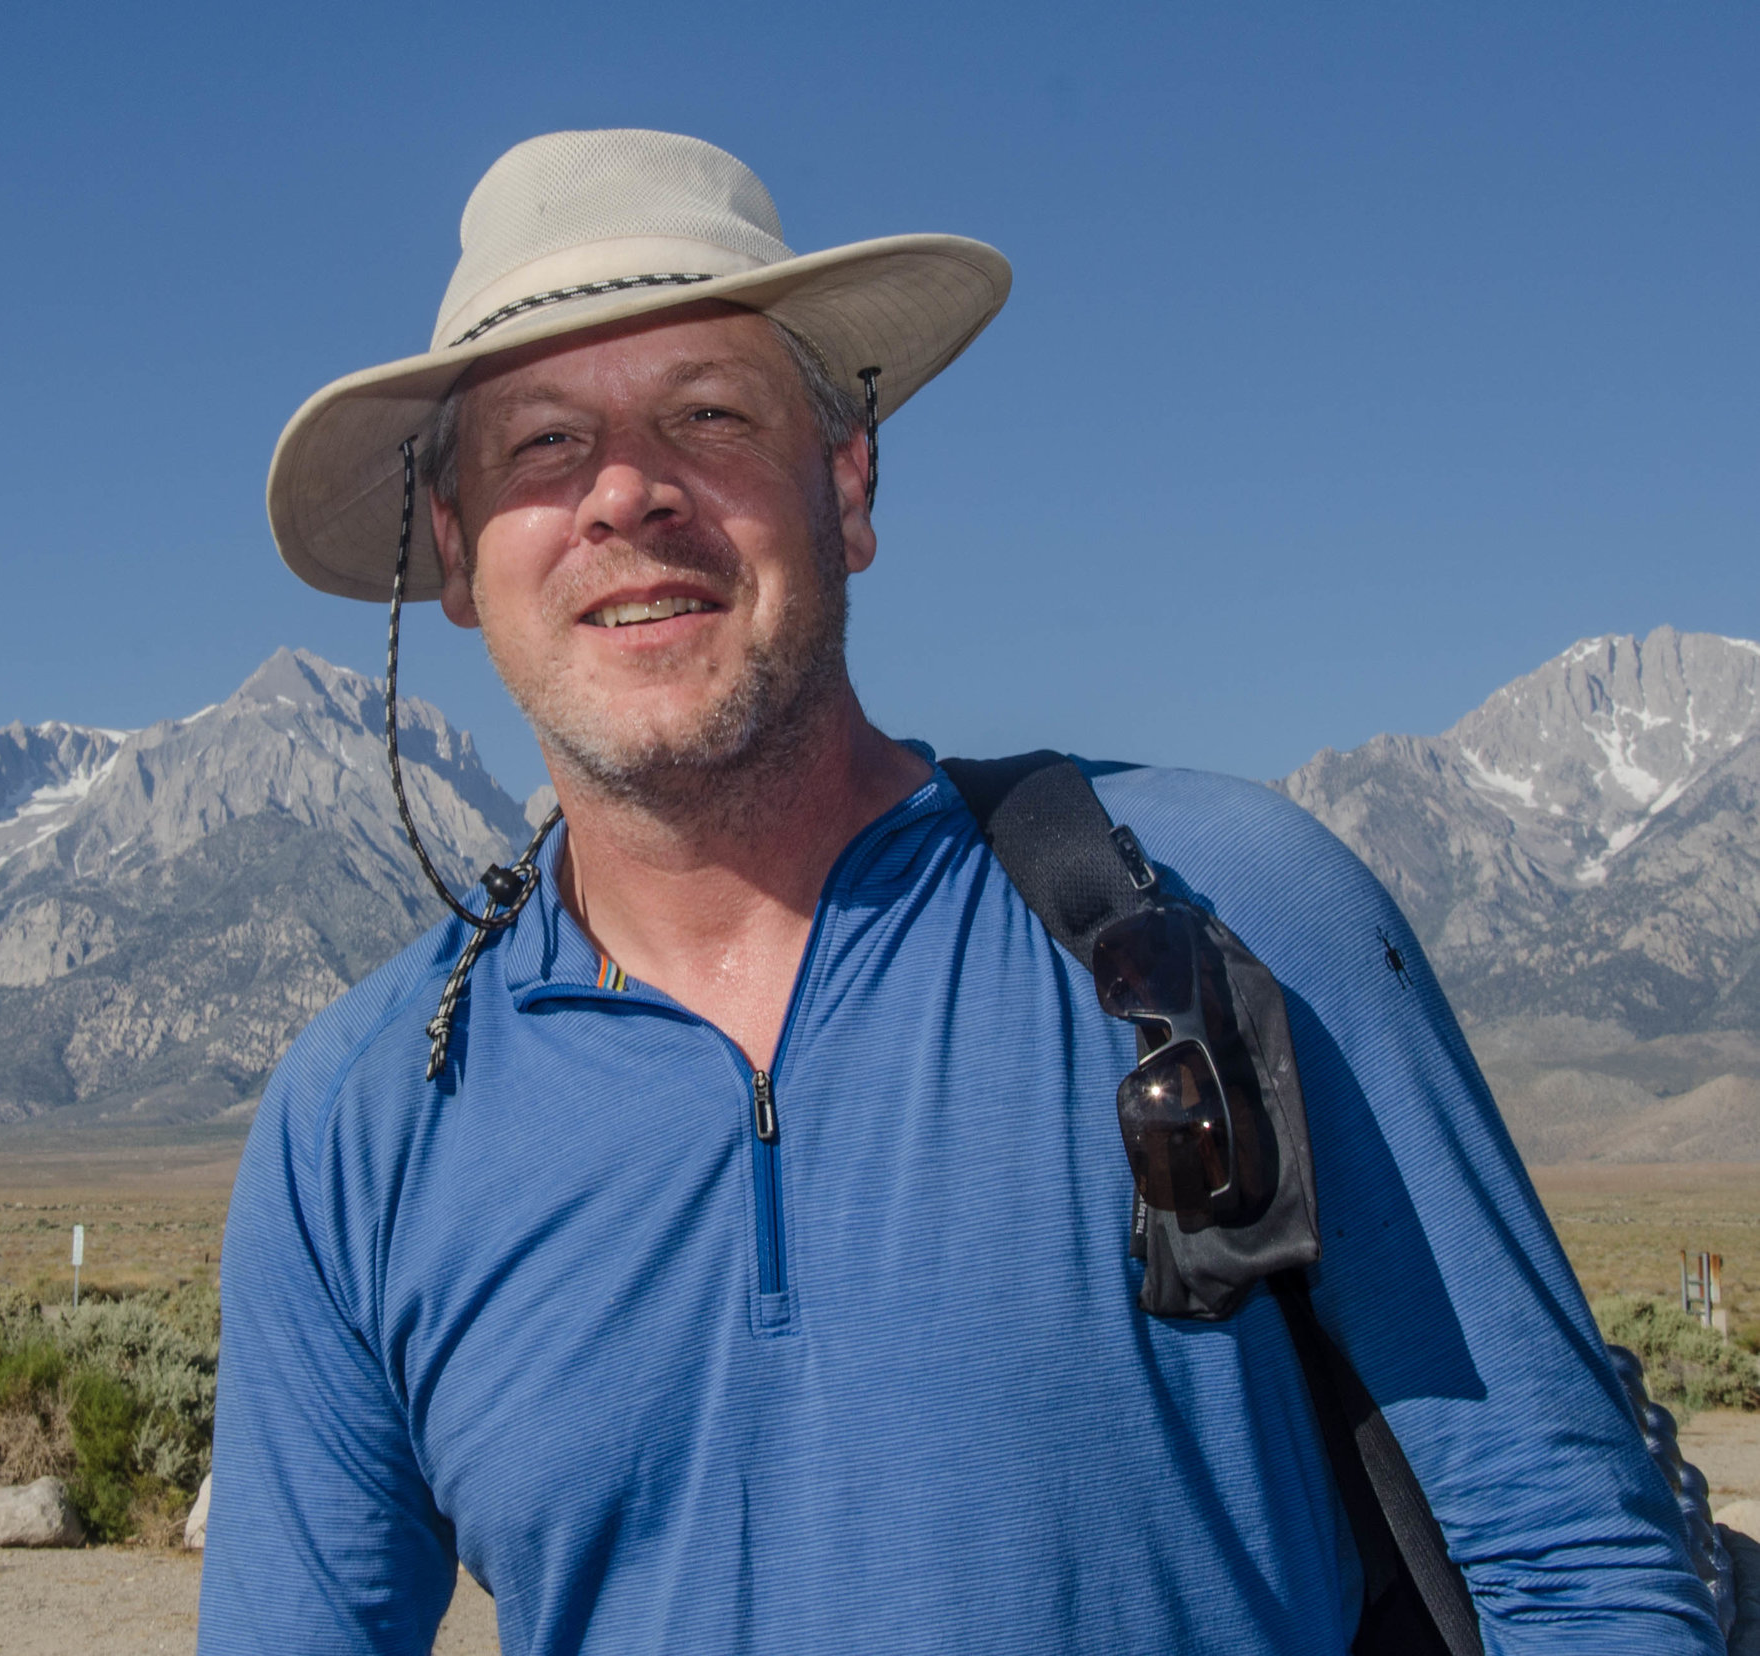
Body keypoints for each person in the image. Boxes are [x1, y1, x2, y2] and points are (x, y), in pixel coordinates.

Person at [197, 129, 1720, 1654]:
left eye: (710, 413)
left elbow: (1579, 1569)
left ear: (846, 485)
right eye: (540, 443)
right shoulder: (363, 1125)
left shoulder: (1221, 906)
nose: (626, 495)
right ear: (457, 556)